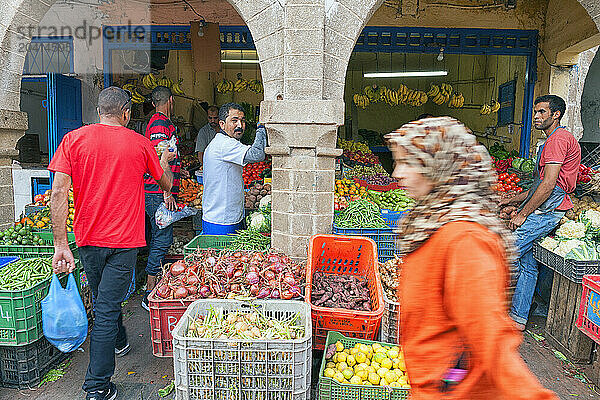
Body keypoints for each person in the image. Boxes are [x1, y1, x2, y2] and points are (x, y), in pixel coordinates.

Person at [385, 117, 558, 400]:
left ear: (438, 166)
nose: (397, 173)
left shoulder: (465, 239)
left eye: (408, 163)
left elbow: (490, 337)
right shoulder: (432, 221)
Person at [49, 87, 175, 400]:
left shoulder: (73, 140)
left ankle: (118, 339)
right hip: (124, 242)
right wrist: (165, 158)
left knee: (106, 297)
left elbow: (58, 192)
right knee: (106, 308)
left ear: (99, 111)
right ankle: (97, 387)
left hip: (87, 240)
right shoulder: (140, 143)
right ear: (127, 113)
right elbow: (166, 184)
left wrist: (60, 244)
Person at [501, 95, 581, 330]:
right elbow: (539, 185)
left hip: (547, 211)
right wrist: (512, 199)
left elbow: (548, 186)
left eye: (542, 112)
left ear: (556, 115)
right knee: (527, 265)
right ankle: (518, 318)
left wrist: (522, 214)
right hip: (547, 206)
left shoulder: (557, 140)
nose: (536, 117)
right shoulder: (555, 139)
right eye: (535, 112)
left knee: (503, 256)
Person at [142, 85, 187, 310]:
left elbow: (167, 156)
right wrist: (167, 191)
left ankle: (151, 285)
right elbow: (160, 158)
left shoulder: (160, 123)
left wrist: (180, 168)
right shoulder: (160, 123)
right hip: (157, 193)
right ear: (171, 101)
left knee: (158, 238)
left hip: (155, 192)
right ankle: (149, 292)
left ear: (152, 103)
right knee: (162, 239)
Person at [202, 102, 267, 234]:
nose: (240, 125)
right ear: (222, 124)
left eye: (242, 121)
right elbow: (257, 154)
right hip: (221, 220)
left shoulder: (223, 142)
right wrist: (261, 127)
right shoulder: (224, 144)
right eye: (234, 120)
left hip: (224, 217)